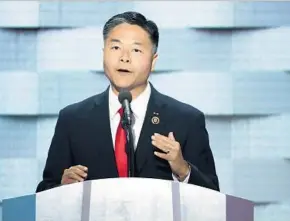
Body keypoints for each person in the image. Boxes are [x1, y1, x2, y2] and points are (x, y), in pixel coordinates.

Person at [36, 11, 219, 193]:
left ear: (153, 61)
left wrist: (183, 170)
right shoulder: (72, 119)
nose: (124, 58)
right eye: (115, 48)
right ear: (103, 53)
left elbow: (213, 199)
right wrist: (62, 187)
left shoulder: (186, 120)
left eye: (136, 50)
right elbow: (45, 193)